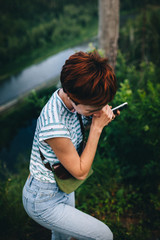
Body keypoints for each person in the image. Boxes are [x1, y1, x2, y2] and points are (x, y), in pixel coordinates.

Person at [22, 50, 118, 240]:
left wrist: (94, 117)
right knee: (103, 236)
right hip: (43, 199)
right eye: (93, 109)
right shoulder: (54, 123)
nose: (98, 111)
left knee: (62, 237)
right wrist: (96, 128)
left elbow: (77, 125)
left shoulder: (71, 96)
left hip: (63, 185)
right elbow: (80, 171)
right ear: (73, 97)